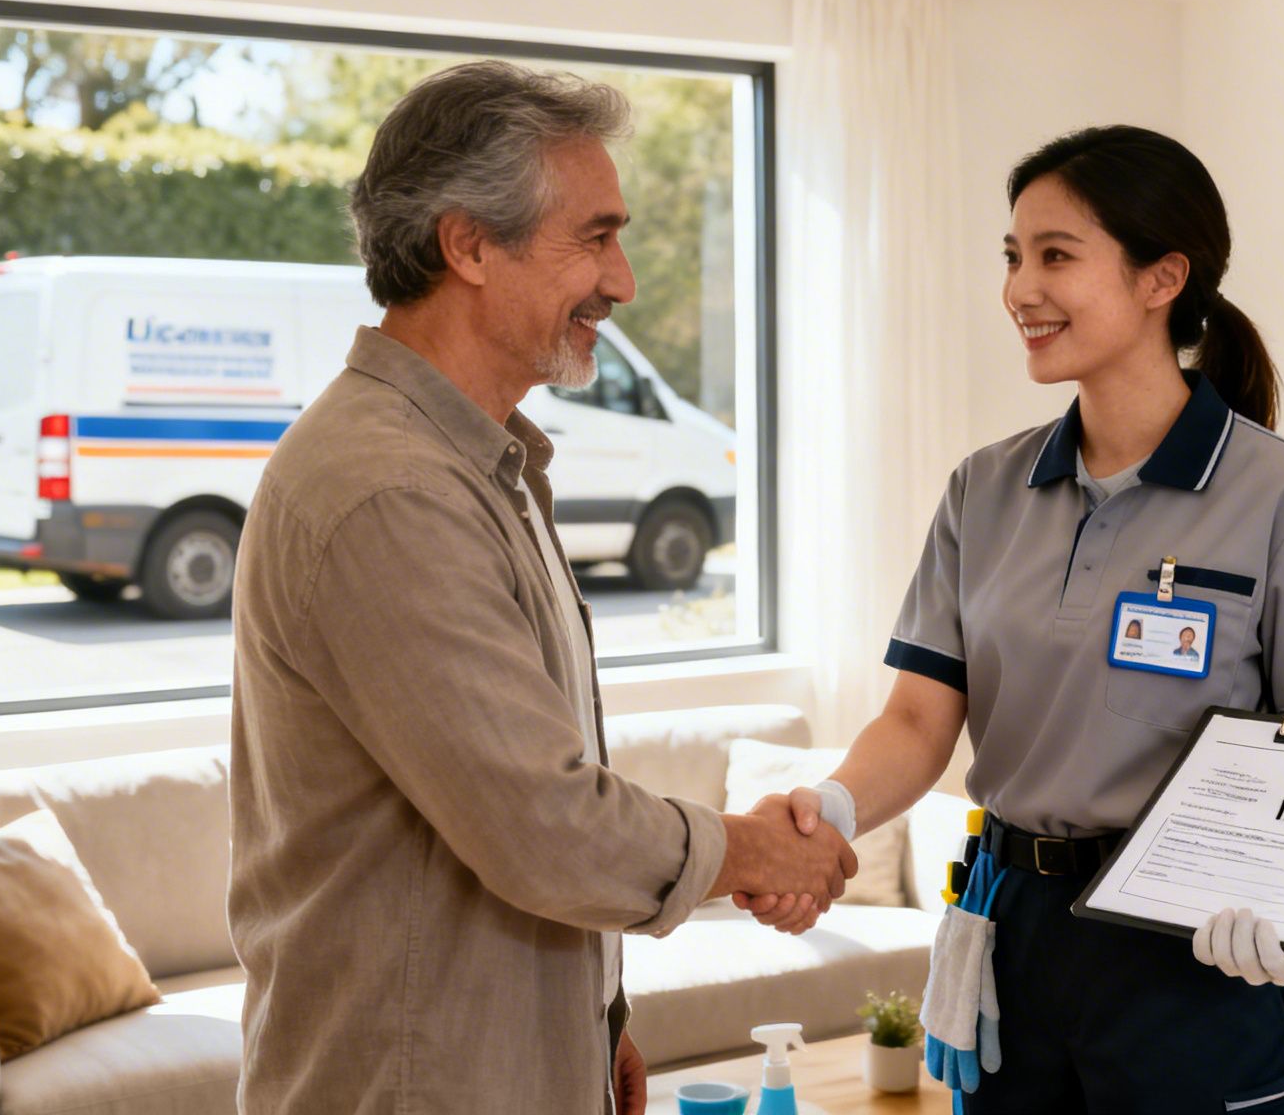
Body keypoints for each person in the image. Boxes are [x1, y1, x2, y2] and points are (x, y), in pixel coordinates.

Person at [229, 61, 855, 1115]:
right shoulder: (387, 490)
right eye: (593, 237)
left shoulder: (483, 468)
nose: (623, 282)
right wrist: (750, 848)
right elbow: (543, 824)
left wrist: (590, 1014)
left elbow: (507, 789)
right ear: (467, 243)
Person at [738, 125, 1284, 1113]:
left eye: (1054, 255)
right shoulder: (984, 488)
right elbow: (919, 719)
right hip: (1015, 928)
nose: (1018, 290)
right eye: (1011, 256)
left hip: (1192, 939)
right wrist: (826, 813)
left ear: (1160, 277)